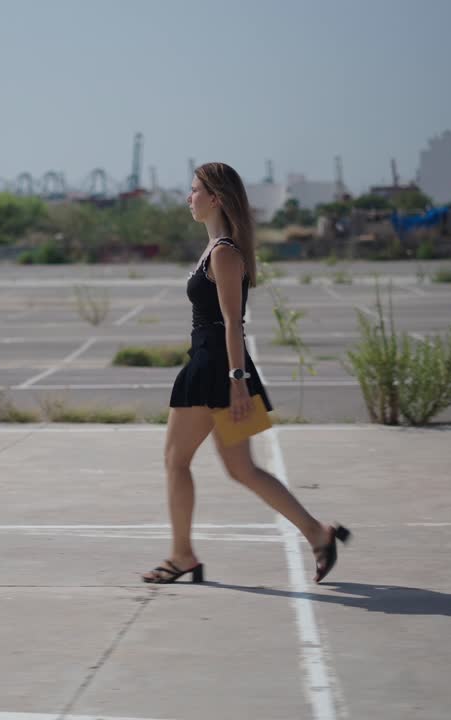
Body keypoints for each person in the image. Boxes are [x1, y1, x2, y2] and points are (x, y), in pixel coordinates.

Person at [141, 162, 350, 585]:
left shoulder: (224, 252)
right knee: (242, 470)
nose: (189, 197)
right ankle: (318, 533)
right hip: (218, 367)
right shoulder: (216, 248)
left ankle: (182, 555)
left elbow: (232, 322)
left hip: (216, 370)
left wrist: (237, 381)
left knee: (175, 461)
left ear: (215, 198)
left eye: (195, 189)